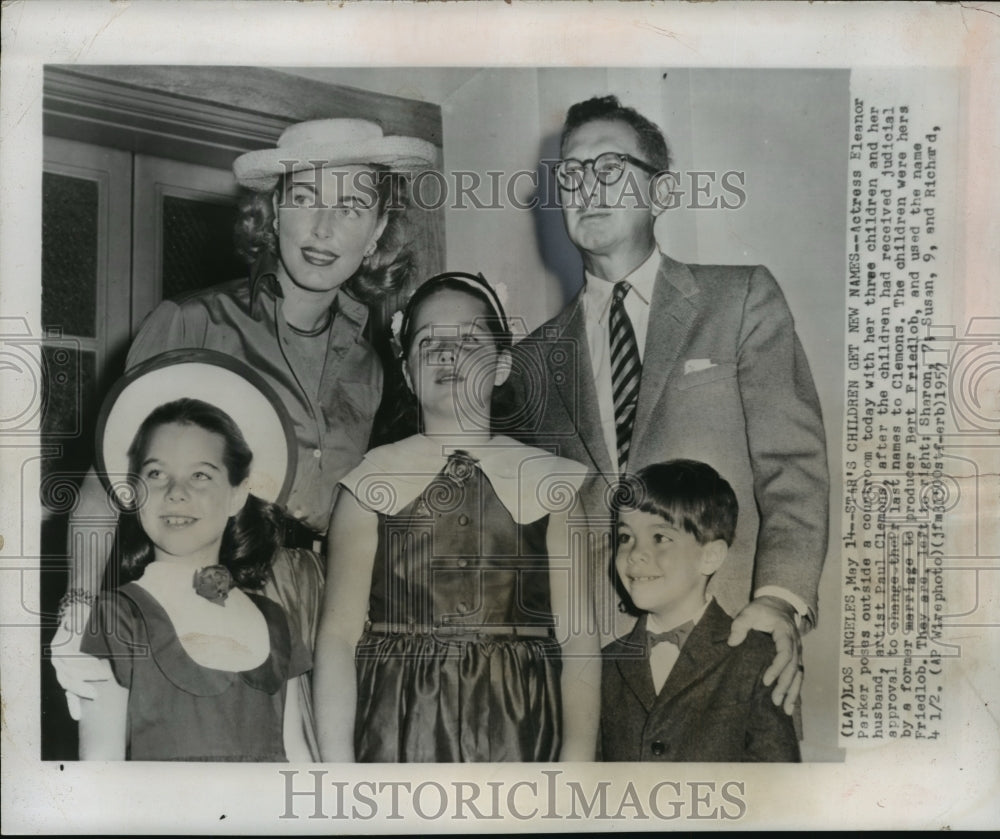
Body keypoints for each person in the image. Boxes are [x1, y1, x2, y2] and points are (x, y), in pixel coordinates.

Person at [51, 119, 436, 746]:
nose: (322, 229)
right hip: (207, 593)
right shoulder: (192, 321)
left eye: (351, 207)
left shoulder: (371, 363)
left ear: (377, 237)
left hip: (325, 615)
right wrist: (77, 615)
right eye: (305, 198)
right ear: (273, 213)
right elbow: (102, 494)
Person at [508, 95, 829, 714]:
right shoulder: (533, 359)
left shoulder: (739, 299)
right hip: (596, 668)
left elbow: (794, 468)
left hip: (734, 639)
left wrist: (780, 602)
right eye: (571, 173)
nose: (587, 187)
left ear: (660, 191)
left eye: (610, 167)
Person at [313, 272, 599, 762]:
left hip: (522, 727)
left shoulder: (550, 486)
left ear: (503, 365)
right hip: (400, 724)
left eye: (468, 341)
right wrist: (338, 770)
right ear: (406, 372)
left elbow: (579, 637)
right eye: (428, 343)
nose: (447, 355)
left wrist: (577, 757)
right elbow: (338, 637)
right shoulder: (368, 484)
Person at [78, 372, 311, 761]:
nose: (176, 492)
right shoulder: (117, 617)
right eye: (156, 473)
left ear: (238, 494)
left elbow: (297, 757)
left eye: (200, 475)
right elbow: (98, 772)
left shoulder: (276, 621)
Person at [601, 460, 800, 762]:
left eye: (660, 538)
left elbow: (779, 787)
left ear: (710, 557)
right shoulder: (604, 664)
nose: (635, 555)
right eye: (626, 537)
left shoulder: (757, 658)